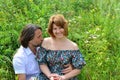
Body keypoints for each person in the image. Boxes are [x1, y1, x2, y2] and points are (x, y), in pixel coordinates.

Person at [37, 14, 86, 80]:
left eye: (60, 28)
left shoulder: (73, 46)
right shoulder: (46, 42)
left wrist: (63, 77)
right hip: (48, 76)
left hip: (66, 78)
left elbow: (78, 69)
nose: (58, 31)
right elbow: (42, 63)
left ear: (65, 28)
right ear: (51, 30)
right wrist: (50, 75)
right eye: (55, 29)